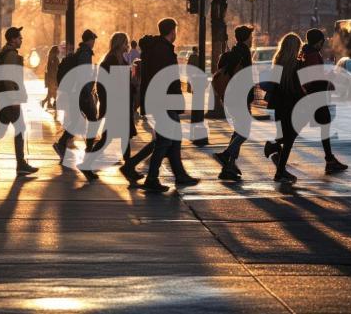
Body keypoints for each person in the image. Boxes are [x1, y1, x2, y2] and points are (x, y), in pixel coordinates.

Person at [139, 18, 200, 192]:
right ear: (172, 31)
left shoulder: (158, 49)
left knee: (174, 138)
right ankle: (152, 178)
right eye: (175, 31)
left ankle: (179, 175)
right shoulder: (162, 51)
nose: (176, 34)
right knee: (165, 140)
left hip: (161, 101)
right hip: (164, 102)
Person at [0, 27, 39, 177]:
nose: (21, 40)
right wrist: (14, 98)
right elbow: (8, 77)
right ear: (12, 39)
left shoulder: (5, 52)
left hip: (4, 98)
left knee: (1, 130)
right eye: (19, 38)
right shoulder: (10, 54)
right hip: (9, 99)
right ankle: (21, 164)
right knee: (20, 129)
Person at [87, 32, 144, 184]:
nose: (128, 46)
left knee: (123, 137)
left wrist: (133, 81)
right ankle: (87, 164)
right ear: (120, 44)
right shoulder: (111, 60)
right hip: (116, 106)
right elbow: (109, 85)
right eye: (125, 43)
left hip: (120, 104)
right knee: (108, 138)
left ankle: (129, 167)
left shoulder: (119, 59)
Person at [298, 28, 348, 174]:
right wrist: (330, 75)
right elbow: (315, 76)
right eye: (322, 41)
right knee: (322, 126)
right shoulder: (313, 54)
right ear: (318, 41)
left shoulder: (305, 52)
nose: (323, 44)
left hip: (309, 95)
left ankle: (330, 159)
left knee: (306, 126)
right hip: (316, 96)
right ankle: (330, 160)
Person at [53, 30, 101, 181]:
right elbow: (83, 75)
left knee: (75, 122)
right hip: (83, 93)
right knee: (92, 121)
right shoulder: (85, 53)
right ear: (90, 40)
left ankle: (61, 144)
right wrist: (88, 94)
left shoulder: (81, 51)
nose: (94, 42)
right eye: (94, 39)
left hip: (76, 93)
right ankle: (87, 162)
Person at [212, 26, 254, 182]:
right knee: (244, 131)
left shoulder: (231, 53)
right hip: (240, 97)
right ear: (246, 38)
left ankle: (228, 167)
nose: (252, 39)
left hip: (229, 97)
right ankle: (227, 154)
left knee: (238, 131)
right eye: (250, 36)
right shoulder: (244, 52)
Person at [270, 33, 305, 184]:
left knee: (285, 136)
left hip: (279, 106)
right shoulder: (297, 65)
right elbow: (298, 89)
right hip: (293, 106)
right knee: (290, 138)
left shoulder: (277, 62)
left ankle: (275, 150)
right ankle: (280, 171)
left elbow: (275, 86)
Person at [41, 45, 60, 109]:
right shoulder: (54, 58)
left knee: (50, 93)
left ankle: (47, 103)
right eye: (57, 50)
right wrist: (55, 78)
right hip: (52, 78)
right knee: (53, 93)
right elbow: (54, 69)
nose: (59, 51)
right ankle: (52, 104)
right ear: (55, 51)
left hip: (50, 78)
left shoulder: (51, 58)